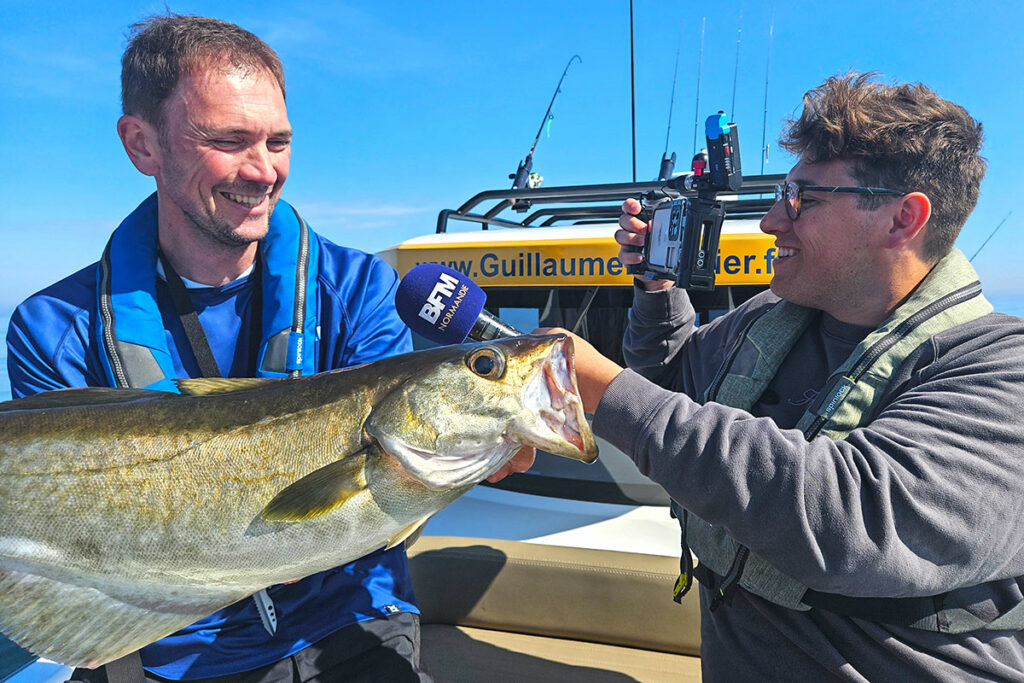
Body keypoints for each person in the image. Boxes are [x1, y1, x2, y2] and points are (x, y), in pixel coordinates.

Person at [544, 73, 1024, 680]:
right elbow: (672, 386)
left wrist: (604, 390)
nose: (773, 221)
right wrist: (657, 287)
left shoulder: (1000, 368)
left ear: (904, 218)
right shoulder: (771, 317)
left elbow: (853, 524)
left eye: (803, 199)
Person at [6, 14, 430, 683]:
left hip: (351, 621)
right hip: (172, 653)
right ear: (142, 145)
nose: (264, 170)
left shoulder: (360, 290)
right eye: (230, 140)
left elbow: (390, 492)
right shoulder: (51, 329)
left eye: (279, 141)